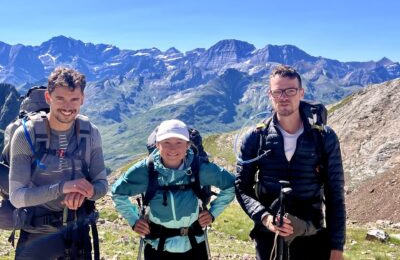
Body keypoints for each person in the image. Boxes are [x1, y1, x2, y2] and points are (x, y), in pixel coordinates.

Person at [235, 65, 345, 260]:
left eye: (290, 91)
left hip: (311, 235)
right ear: (270, 95)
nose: (283, 97)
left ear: (301, 93)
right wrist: (265, 218)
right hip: (269, 235)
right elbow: (241, 188)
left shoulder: (324, 137)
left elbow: (334, 193)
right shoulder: (254, 138)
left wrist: (337, 247)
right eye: (278, 91)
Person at [9, 67, 108, 259]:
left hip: (77, 229)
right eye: (60, 98)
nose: (67, 106)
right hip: (36, 232)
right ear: (48, 97)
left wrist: (86, 192)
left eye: (74, 99)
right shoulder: (26, 135)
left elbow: (102, 185)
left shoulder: (91, 132)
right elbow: (17, 197)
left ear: (82, 99)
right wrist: (63, 187)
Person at [112, 119, 235, 260]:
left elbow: (231, 185)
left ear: (188, 145)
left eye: (179, 143)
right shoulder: (146, 170)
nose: (173, 149)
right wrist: (134, 220)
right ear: (158, 145)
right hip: (157, 246)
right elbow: (117, 192)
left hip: (193, 244)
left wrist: (213, 213)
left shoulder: (199, 168)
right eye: (166, 143)